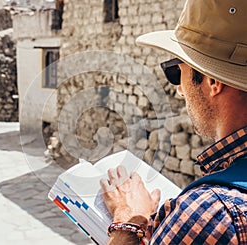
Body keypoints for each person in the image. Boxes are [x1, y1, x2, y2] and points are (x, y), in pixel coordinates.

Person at [100, 0, 247, 244]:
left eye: (178, 72)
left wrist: (128, 223)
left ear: (212, 81)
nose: (179, 89)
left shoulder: (211, 214)